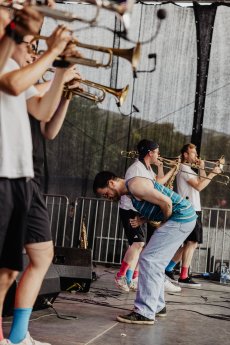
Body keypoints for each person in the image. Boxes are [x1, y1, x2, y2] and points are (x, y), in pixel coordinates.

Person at [0, 26, 76, 344]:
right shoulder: (9, 68)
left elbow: (44, 115)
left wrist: (62, 82)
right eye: (30, 45)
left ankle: (16, 336)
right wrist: (52, 56)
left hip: (23, 175)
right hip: (4, 173)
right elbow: (18, 85)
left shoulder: (20, 69)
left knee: (20, 265)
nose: (33, 50)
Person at [93, 171, 197, 324]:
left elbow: (166, 202)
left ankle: (145, 312)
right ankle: (157, 306)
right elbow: (157, 205)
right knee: (155, 262)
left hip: (180, 217)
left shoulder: (135, 186)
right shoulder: (130, 192)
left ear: (111, 183)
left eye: (106, 193)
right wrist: (144, 219)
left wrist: (163, 225)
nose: (107, 197)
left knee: (149, 259)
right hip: (184, 217)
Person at [117, 139, 181, 293]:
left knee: (141, 246)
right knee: (137, 244)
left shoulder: (146, 168)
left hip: (139, 211)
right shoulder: (136, 169)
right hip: (130, 209)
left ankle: (132, 277)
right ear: (150, 153)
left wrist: (169, 169)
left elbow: (158, 182)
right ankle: (121, 276)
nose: (159, 155)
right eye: (157, 152)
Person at [165, 143, 222, 287]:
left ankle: (169, 268)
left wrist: (202, 167)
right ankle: (183, 276)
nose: (196, 156)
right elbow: (199, 186)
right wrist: (213, 173)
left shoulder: (189, 169)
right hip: (190, 209)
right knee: (192, 242)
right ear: (185, 154)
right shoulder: (184, 169)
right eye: (193, 153)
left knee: (190, 243)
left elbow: (201, 182)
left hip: (194, 208)